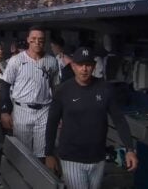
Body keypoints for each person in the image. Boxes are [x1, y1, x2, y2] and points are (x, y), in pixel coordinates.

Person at [45, 47, 138, 189]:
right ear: (73, 66)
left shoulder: (105, 88)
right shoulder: (63, 91)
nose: (84, 69)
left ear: (94, 67)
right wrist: (49, 153)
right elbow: (52, 123)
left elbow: (119, 120)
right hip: (71, 157)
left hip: (98, 157)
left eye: (88, 65)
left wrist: (130, 149)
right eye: (80, 65)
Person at [0, 25, 58, 159]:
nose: (37, 42)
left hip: (44, 109)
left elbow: (56, 88)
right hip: (22, 109)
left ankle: (40, 180)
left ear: (45, 41)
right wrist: (4, 111)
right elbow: (5, 85)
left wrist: (58, 112)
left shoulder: (52, 61)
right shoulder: (16, 60)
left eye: (41, 39)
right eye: (34, 39)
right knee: (22, 153)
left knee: (43, 153)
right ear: (28, 40)